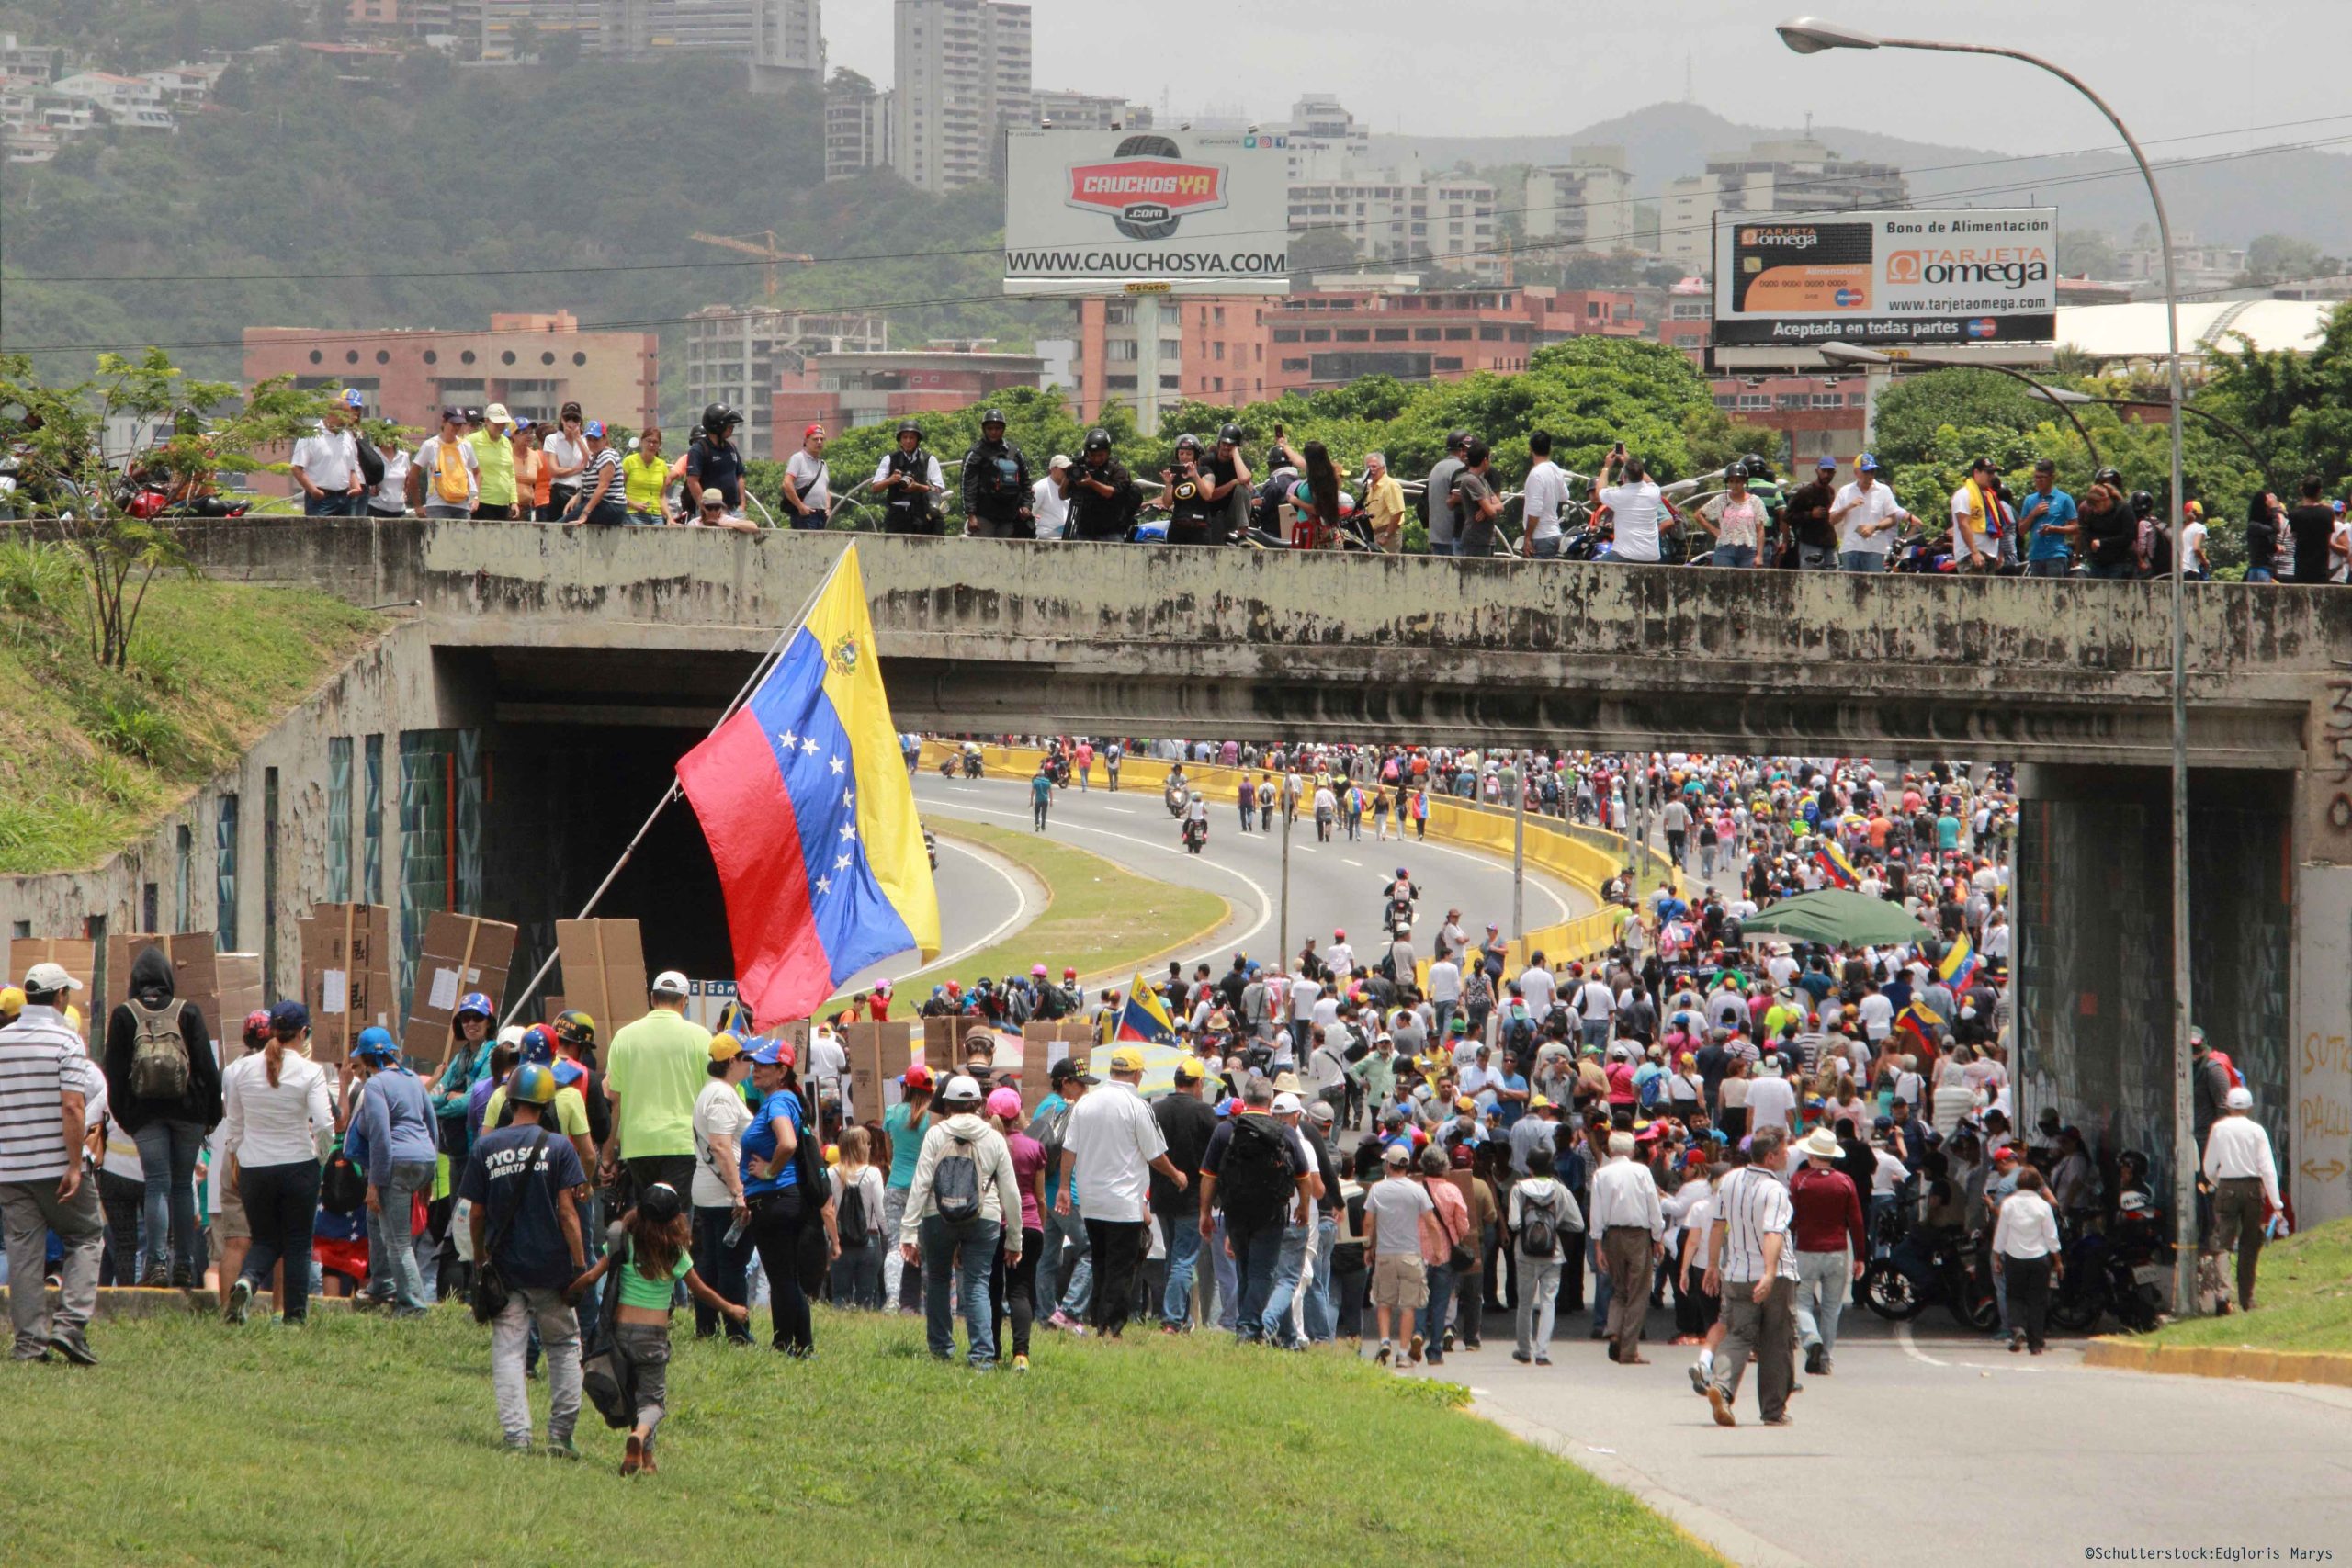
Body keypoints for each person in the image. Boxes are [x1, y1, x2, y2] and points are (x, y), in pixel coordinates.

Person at [566, 1181, 745, 1476]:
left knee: (634, 1392)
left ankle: (646, 1459)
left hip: (620, 1332)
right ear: (676, 1218)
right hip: (652, 1337)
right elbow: (700, 1291)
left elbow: (591, 1278)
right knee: (652, 1401)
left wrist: (569, 1292)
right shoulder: (674, 1251)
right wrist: (731, 1309)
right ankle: (639, 1435)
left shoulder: (621, 1239)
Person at [458, 1060, 589, 1456]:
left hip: (506, 1269)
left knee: (509, 1352)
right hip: (552, 1269)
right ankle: (560, 1437)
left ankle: (517, 1437)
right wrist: (580, 1265)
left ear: (510, 1100)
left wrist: (481, 1258)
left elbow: (475, 1213)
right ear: (547, 1103)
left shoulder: (486, 1147)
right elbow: (568, 1213)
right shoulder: (560, 1147)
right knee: (564, 1346)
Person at [101, 944, 221, 1288]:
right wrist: (210, 1117)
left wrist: (129, 1120)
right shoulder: (189, 1012)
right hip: (189, 1114)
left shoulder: (124, 1015)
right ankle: (183, 1262)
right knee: (182, 1185)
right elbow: (208, 1071)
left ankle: (154, 1262)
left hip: (145, 1116)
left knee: (156, 1184)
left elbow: (114, 1071)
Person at [0, 963, 103, 1364]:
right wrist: (76, 1166)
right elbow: (74, 1106)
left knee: (23, 1253)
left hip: (9, 1168)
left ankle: (29, 1344)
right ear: (60, 997)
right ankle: (70, 1325)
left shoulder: (2, 1042)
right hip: (56, 1166)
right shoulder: (66, 1042)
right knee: (87, 1236)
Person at [220, 1001, 335, 1327]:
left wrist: (235, 1158)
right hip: (298, 1164)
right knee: (298, 1241)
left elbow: (235, 1124)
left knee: (266, 1238)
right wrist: (321, 1159)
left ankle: (247, 1282)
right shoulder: (311, 1071)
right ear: (303, 1033)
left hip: (254, 1167)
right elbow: (325, 1125)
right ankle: (294, 1316)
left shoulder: (240, 1070)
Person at [1059, 1044, 1182, 1338]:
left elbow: (1069, 1148)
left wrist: (1065, 1186)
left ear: (1113, 1072)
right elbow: (1154, 1154)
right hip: (1123, 1201)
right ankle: (1111, 1327)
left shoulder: (1086, 1103)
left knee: (1100, 1262)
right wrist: (1176, 1174)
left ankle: (1098, 1321)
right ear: (1137, 1075)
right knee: (1121, 1267)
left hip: (1090, 1198)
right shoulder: (1138, 1106)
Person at [898, 1074, 1021, 1368]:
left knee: (939, 1279)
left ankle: (941, 1349)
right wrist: (1015, 1238)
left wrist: (908, 1231)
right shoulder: (993, 1137)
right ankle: (981, 1356)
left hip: (936, 1215)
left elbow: (921, 1183)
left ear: (947, 1105)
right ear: (979, 1104)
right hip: (985, 1217)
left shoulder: (936, 1134)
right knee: (978, 1283)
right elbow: (1011, 1192)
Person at [1703, 1123, 1799, 1427]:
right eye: (1784, 1151)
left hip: (1736, 1272)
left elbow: (1718, 1225)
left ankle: (1721, 1387)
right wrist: (1769, 1273)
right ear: (1770, 1157)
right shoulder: (1775, 1190)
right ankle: (1773, 1410)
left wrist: (1711, 1266)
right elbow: (1774, 1233)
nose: (1787, 1155)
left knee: (1737, 1335)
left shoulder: (1728, 1181)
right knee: (1776, 1341)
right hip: (1773, 1275)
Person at [739, 1039, 824, 1358]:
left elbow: (787, 1143)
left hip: (776, 1199)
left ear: (782, 1071)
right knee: (786, 1276)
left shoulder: (778, 1102)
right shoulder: (784, 1100)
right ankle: (802, 1346)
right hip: (784, 1200)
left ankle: (785, 1345)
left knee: (782, 1277)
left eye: (762, 1065)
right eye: (754, 1064)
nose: (754, 1070)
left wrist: (768, 1172)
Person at [349, 1026, 437, 1317]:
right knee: (375, 1219)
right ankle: (382, 1283)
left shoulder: (375, 1086)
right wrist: (429, 1176)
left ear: (365, 1058)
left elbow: (381, 1137)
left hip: (395, 1165)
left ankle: (413, 1305)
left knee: (399, 1241)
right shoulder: (412, 1078)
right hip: (423, 1159)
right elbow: (431, 1125)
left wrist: (375, 1183)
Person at [602, 971, 709, 1203]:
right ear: (684, 1001)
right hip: (685, 1144)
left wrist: (608, 1154)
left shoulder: (624, 1037)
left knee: (648, 1215)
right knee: (677, 1218)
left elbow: (614, 1098)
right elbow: (711, 1096)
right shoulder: (701, 1038)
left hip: (639, 1144)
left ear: (652, 998)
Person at [687, 1033, 754, 1343]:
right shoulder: (722, 1095)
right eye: (746, 1059)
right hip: (723, 1193)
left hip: (710, 1190)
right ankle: (736, 1332)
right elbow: (721, 1146)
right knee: (730, 1265)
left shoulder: (715, 1091)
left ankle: (708, 1329)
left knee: (711, 1263)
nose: (751, 1065)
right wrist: (738, 1191)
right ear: (731, 1062)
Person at [1787, 1125, 1865, 1375]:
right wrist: (1861, 1255)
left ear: (1811, 1155)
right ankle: (1826, 1359)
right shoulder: (1845, 1182)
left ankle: (1812, 1340)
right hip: (1838, 1251)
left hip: (1806, 1249)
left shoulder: (1800, 1181)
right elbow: (1856, 1220)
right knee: (1832, 1308)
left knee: (1800, 1303)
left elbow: (1790, 1218)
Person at [1587, 1130, 1665, 1364]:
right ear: (1631, 1151)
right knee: (1639, 1292)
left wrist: (1598, 1246)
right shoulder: (1642, 1171)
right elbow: (1653, 1205)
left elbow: (1596, 1212)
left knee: (1619, 1289)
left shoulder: (1601, 1174)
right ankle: (1629, 1349)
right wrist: (1657, 1236)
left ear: (1611, 1150)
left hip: (1612, 1236)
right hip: (1638, 1236)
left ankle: (1613, 1329)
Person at [2201, 1085, 2281, 1314]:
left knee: (2223, 1242)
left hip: (2226, 1186)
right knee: (2249, 1243)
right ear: (2250, 1107)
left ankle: (2223, 1296)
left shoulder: (2218, 1128)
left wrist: (2220, 1184)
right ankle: (2247, 1299)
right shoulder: (2256, 1131)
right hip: (2252, 1189)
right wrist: (2277, 1204)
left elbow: (2208, 1167)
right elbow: (2267, 1169)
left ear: (2227, 1106)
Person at [1152, 1054, 1216, 1329]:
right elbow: (1216, 1155)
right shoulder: (1204, 1112)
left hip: (1162, 1196)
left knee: (1173, 1256)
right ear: (1198, 1082)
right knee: (1183, 1259)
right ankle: (1172, 1319)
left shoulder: (1157, 1109)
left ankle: (1179, 1315)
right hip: (1192, 1197)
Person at [1508, 1146, 1584, 1365]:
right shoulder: (1559, 1190)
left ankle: (1524, 1350)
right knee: (1548, 1302)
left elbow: (1514, 1223)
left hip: (1525, 1253)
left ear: (1529, 1167)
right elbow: (1578, 1224)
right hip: (1553, 1253)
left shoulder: (1519, 1189)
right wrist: (1555, 1224)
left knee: (1524, 1303)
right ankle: (1542, 1353)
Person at [1363, 1141, 1433, 1366]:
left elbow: (1368, 1222)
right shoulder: (1417, 1189)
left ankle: (1384, 1341)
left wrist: (1367, 1247)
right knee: (1408, 1306)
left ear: (1389, 1166)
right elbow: (1430, 1221)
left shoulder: (1377, 1189)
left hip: (1385, 1253)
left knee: (1384, 1302)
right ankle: (1403, 1354)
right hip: (1411, 1254)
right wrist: (1438, 1248)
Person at [1991, 1165, 2061, 1354]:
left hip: (2014, 1258)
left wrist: (1997, 1256)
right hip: (2039, 1259)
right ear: (2038, 1184)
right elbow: (2051, 1236)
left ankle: (2017, 1329)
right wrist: (2058, 1260)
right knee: (2037, 1301)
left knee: (2014, 1296)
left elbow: (2001, 1233)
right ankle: (2036, 1344)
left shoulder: (2009, 1204)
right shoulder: (2043, 1206)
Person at [831, 1122, 888, 1312]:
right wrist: (888, 1235)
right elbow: (881, 1211)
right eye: (868, 1143)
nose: (870, 1147)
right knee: (867, 1297)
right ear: (861, 1147)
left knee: (840, 1296)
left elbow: (827, 1209)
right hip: (869, 1240)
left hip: (839, 1241)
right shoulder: (873, 1173)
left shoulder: (831, 1172)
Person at [1829, 454, 1912, 573]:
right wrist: (1848, 507)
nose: (1870, 476)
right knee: (1851, 589)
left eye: (1872, 472)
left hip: (1874, 549)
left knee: (1873, 589)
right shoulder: (1845, 491)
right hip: (1851, 548)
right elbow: (1832, 520)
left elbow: (1892, 519)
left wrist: (1875, 527)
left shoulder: (1883, 490)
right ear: (1856, 472)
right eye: (1866, 472)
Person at [961, 408, 1035, 539]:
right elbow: (968, 485)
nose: (994, 432)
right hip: (984, 516)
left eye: (997, 428)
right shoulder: (976, 453)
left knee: (1009, 555)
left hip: (1010, 516)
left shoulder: (1014, 452)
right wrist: (971, 515)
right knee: (986, 554)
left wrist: (1026, 505)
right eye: (990, 428)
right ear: (984, 429)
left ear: (1003, 429)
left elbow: (1026, 481)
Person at [290, 389, 366, 515]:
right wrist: (313, 491)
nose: (348, 420)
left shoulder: (346, 437)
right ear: (332, 414)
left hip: (344, 497)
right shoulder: (311, 435)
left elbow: (351, 468)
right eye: (345, 415)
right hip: (321, 499)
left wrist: (357, 487)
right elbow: (297, 468)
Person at [1590, 443, 1665, 564]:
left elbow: (1599, 492)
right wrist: (1628, 461)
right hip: (1652, 557)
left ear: (1624, 478)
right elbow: (1650, 481)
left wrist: (1606, 466)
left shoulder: (1619, 495)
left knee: (1595, 568)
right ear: (1642, 475)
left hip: (1625, 555)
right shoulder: (1653, 492)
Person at [1697, 462, 1769, 569]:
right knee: (1724, 583)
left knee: (1746, 584)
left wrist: (1759, 555)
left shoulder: (1755, 501)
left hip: (1748, 551)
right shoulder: (1721, 500)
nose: (1735, 485)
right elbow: (1698, 515)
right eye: (1731, 481)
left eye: (1738, 481)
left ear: (1744, 481)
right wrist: (1714, 530)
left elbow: (1760, 530)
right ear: (1727, 483)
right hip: (1724, 549)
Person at [413, 407, 481, 519]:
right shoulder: (430, 445)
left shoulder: (466, 445)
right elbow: (413, 474)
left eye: (459, 425)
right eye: (453, 424)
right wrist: (417, 505)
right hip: (437, 505)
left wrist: (476, 497)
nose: (456, 428)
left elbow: (477, 472)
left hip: (462, 505)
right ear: (444, 422)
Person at [683, 402, 747, 517]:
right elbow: (693, 481)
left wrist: (742, 505)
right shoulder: (699, 449)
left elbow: (739, 477)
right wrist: (704, 508)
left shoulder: (731, 447)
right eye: (729, 425)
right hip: (711, 511)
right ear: (718, 426)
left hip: (734, 510)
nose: (732, 428)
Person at [2018, 458, 2077, 579]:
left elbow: (2076, 527)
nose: (2038, 481)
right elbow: (2021, 530)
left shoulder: (2064, 499)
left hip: (2056, 555)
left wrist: (2054, 529)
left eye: (2042, 477)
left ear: (2052, 477)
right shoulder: (2030, 500)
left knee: (2055, 593)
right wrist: (2033, 514)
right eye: (2036, 477)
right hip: (2035, 556)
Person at [1158, 434, 1220, 546]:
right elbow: (1167, 504)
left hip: (1200, 527)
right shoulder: (1175, 475)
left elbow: (1207, 495)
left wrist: (1195, 475)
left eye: (1189, 454)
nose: (1184, 457)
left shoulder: (1205, 472)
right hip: (1177, 527)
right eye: (1181, 453)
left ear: (1195, 455)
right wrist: (1168, 484)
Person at [564, 421, 627, 527]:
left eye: (596, 439)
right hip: (600, 505)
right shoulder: (594, 456)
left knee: (562, 526)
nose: (592, 443)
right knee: (562, 523)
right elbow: (589, 485)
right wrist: (576, 498)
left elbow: (603, 487)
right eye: (589, 439)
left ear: (604, 439)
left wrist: (585, 513)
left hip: (608, 505)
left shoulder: (607, 455)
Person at [1448, 438, 1504, 558]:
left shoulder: (1482, 480)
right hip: (1475, 539)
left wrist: (1489, 506)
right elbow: (1492, 512)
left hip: (1485, 538)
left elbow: (1500, 506)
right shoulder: (1471, 480)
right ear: (1484, 460)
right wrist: (1490, 506)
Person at [1519, 432, 1569, 559]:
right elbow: (1565, 496)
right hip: (1555, 534)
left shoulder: (1536, 474)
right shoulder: (1555, 469)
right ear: (1550, 448)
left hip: (1540, 538)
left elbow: (1535, 510)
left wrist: (1527, 538)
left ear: (1531, 449)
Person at [1783, 457, 1839, 570]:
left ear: (1834, 473)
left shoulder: (1831, 491)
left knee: (1833, 579)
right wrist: (1810, 514)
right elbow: (1787, 516)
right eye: (1824, 471)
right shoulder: (1805, 492)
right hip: (1810, 543)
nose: (1826, 475)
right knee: (1810, 579)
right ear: (1817, 471)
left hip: (1829, 544)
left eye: (1830, 472)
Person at [1950, 456, 2004, 571]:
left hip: (1990, 555)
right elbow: (1963, 524)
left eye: (1993, 473)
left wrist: (1998, 552)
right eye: (1989, 473)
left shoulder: (1990, 496)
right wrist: (1974, 552)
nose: (1992, 477)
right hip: (1970, 555)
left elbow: (1994, 526)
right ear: (1976, 472)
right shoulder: (1964, 494)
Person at [469, 403, 520, 520]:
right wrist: (473, 496)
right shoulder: (473, 440)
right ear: (486, 421)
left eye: (504, 423)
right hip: (482, 502)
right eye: (497, 423)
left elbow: (510, 473)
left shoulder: (506, 442)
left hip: (503, 503)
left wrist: (514, 501)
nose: (501, 426)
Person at [1424, 432, 1469, 557]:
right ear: (1463, 448)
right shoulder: (1459, 468)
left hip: (1436, 535)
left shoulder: (1437, 467)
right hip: (1452, 536)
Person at [2287, 474, 2337, 585]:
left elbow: (2294, 537)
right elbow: (2327, 540)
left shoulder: (2294, 514)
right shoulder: (2328, 512)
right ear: (2319, 491)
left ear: (2302, 490)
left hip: (2301, 568)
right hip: (2321, 568)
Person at [541, 403, 589, 520]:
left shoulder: (586, 440)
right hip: (560, 490)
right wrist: (579, 468)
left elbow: (590, 463)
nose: (571, 423)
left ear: (580, 422)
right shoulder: (552, 439)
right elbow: (554, 470)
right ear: (562, 420)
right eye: (567, 418)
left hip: (581, 492)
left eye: (575, 419)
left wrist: (577, 438)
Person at [781, 423, 831, 531]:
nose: (819, 442)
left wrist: (827, 507)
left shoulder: (823, 464)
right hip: (805, 514)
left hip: (821, 515)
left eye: (822, 439)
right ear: (806, 441)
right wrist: (800, 507)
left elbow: (825, 489)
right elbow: (787, 484)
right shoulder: (798, 459)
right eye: (815, 439)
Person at [621, 426, 674, 526]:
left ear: (659, 445)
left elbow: (661, 496)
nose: (651, 445)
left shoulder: (662, 465)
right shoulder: (629, 461)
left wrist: (670, 518)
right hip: (634, 514)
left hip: (656, 515)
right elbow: (618, 490)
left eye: (655, 442)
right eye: (648, 441)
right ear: (642, 442)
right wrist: (634, 504)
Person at [1363, 451, 1407, 554]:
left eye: (1374, 466)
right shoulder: (1371, 487)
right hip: (1374, 535)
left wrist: (1386, 536)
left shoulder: (1390, 485)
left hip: (1388, 535)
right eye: (1368, 467)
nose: (1371, 470)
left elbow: (1397, 513)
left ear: (1383, 468)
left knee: (1388, 568)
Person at [1031, 453, 1072, 540]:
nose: (1067, 473)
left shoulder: (1071, 487)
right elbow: (1031, 511)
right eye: (1064, 470)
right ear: (1053, 469)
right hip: (1047, 539)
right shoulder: (1041, 486)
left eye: (1069, 470)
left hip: (1068, 537)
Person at [1030, 761, 1053, 831]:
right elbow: (1050, 792)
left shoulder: (1035, 781)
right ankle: (1043, 826)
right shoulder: (1047, 782)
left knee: (1037, 813)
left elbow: (1032, 792)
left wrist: (1031, 801)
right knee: (1044, 814)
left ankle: (1037, 824)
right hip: (1045, 800)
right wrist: (1051, 801)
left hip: (1038, 800)